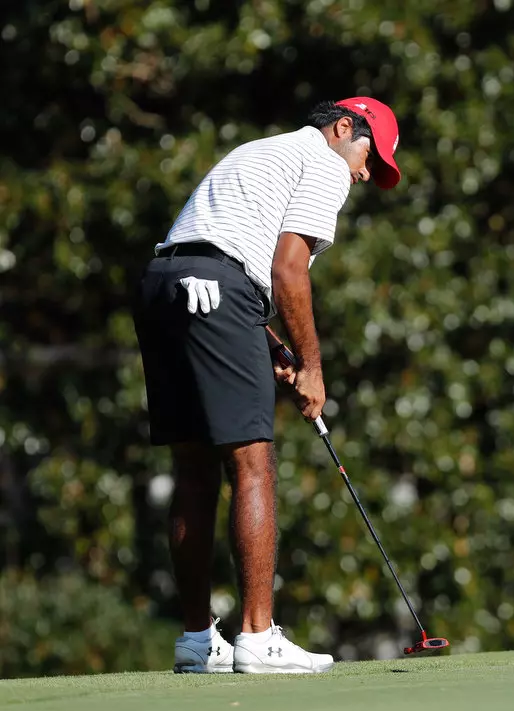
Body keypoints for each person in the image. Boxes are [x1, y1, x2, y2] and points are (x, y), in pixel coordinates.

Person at [132, 97, 402, 674]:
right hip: (217, 288)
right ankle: (257, 635)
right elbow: (286, 269)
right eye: (368, 158)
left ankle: (196, 640)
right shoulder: (324, 163)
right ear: (342, 128)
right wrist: (312, 366)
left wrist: (271, 343)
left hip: (164, 284)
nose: (362, 174)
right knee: (252, 461)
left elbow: (223, 252)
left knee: (194, 467)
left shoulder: (262, 150)